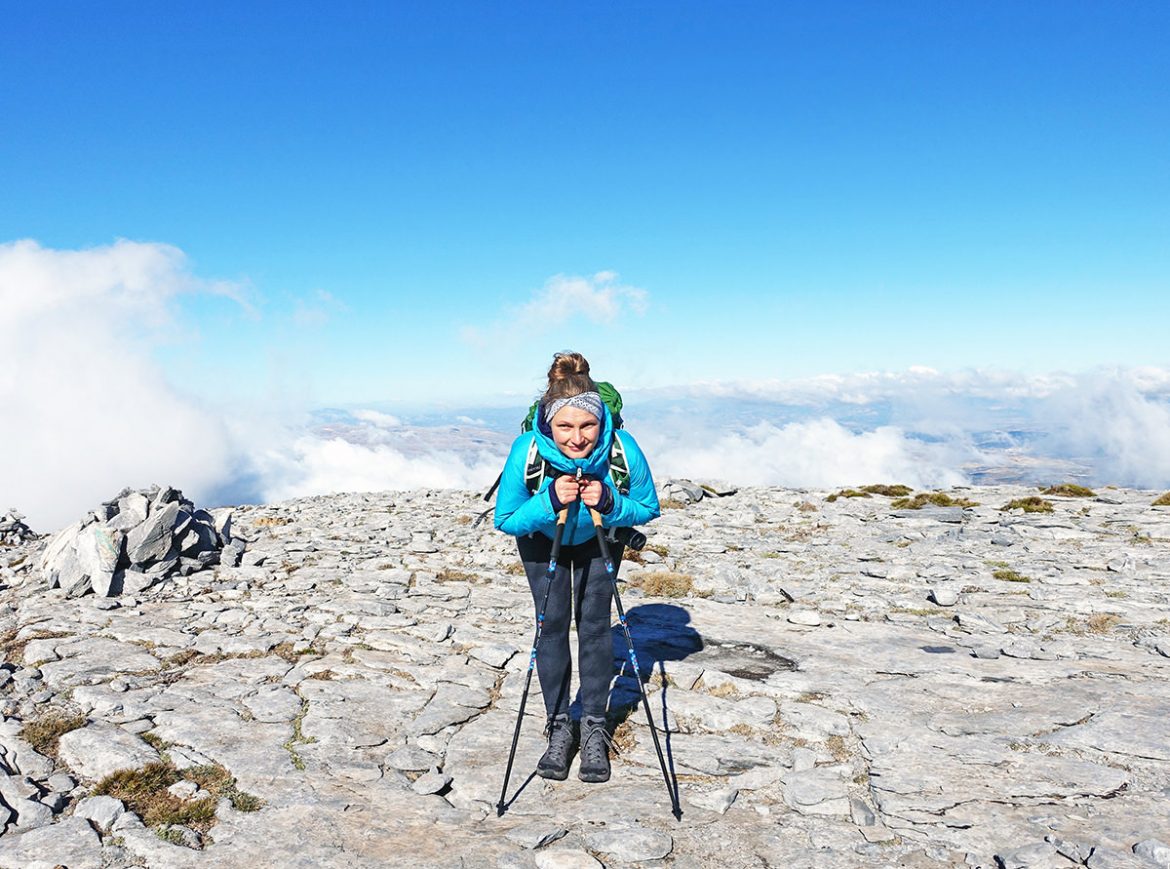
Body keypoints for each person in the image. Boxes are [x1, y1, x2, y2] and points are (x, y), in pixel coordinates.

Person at [494, 351, 660, 783]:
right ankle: (558, 725)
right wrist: (549, 501)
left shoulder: (621, 448)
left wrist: (609, 502)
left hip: (599, 538)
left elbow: (647, 506)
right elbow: (506, 518)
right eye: (565, 426)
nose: (577, 437)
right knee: (550, 628)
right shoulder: (527, 451)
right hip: (540, 543)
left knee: (594, 628)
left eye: (587, 425)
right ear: (547, 423)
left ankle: (593, 727)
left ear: (601, 420)